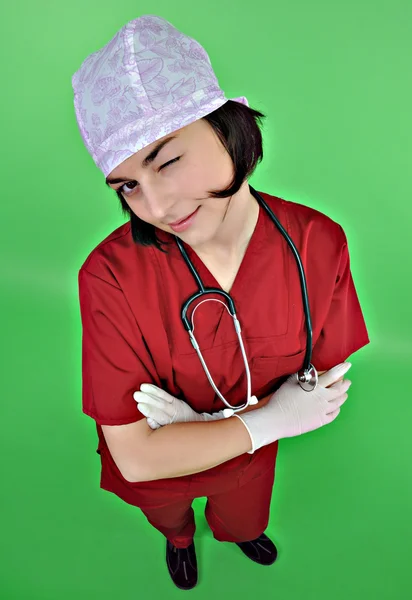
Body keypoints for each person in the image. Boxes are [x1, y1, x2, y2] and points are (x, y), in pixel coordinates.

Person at [72, 14, 370, 591]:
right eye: (127, 185)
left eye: (167, 159)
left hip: (251, 464)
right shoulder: (110, 275)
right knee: (169, 513)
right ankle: (179, 541)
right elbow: (137, 459)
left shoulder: (318, 242)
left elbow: (327, 380)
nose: (155, 205)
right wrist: (266, 421)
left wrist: (218, 432)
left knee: (243, 517)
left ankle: (236, 534)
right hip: (176, 473)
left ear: (226, 126)